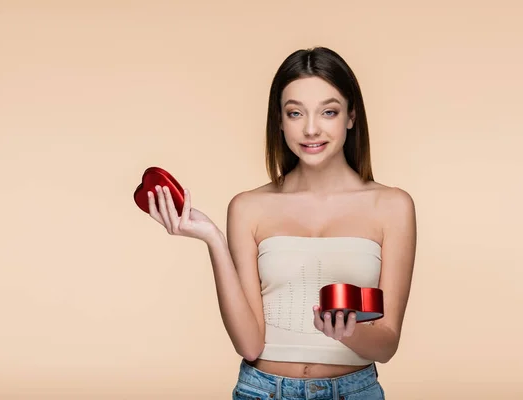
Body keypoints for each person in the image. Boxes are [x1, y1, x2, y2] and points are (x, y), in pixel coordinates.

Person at [146, 47, 417, 400]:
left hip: (353, 392)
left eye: (328, 112)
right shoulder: (248, 207)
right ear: (279, 119)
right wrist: (212, 238)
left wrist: (347, 333)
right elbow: (249, 343)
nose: (310, 129)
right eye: (295, 113)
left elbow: (387, 345)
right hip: (262, 391)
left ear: (351, 116)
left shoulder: (392, 206)